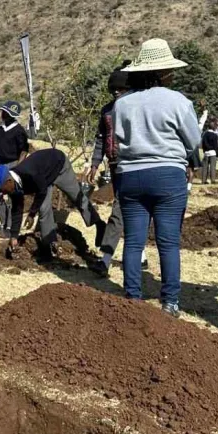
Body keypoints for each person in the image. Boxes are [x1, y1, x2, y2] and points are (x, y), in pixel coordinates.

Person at [112, 39, 201, 317]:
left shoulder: (122, 103)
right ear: (164, 72)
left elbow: (118, 138)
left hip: (130, 176)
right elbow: (194, 141)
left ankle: (132, 299)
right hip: (167, 175)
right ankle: (170, 302)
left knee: (134, 241)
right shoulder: (179, 101)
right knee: (168, 242)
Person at [0, 148, 102, 262]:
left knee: (77, 197)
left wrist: (32, 214)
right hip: (44, 178)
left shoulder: (29, 173)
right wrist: (14, 236)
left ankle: (99, 224)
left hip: (59, 166)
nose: (3, 193)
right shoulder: (13, 187)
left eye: (2, 189)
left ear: (8, 181)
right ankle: (48, 249)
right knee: (43, 209)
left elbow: (42, 191)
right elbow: (17, 210)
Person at [86, 62, 133, 275]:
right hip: (114, 164)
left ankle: (105, 259)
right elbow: (100, 139)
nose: (116, 92)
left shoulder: (136, 107)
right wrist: (95, 164)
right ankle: (137, 256)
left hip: (131, 164)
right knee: (126, 209)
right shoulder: (106, 110)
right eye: (113, 89)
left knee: (120, 209)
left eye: (120, 89)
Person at [0, 100, 31, 236]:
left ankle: (10, 228)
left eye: (5, 112)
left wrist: (18, 168)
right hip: (0, 165)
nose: (2, 114)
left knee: (12, 197)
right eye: (2, 111)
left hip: (14, 164)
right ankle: (4, 222)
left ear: (11, 115)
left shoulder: (19, 131)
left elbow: (24, 151)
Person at [201, 117, 218, 184]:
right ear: (214, 128)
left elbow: (203, 143)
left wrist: (204, 151)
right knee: (212, 167)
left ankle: (204, 180)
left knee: (205, 167)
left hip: (206, 153)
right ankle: (212, 179)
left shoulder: (204, 134)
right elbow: (215, 146)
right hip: (212, 153)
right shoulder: (214, 135)